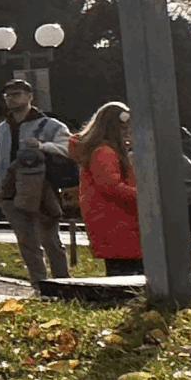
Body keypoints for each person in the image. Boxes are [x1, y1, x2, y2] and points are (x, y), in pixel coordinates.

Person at [0, 79, 71, 285]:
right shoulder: (0, 131)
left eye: (16, 94)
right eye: (7, 95)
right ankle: (40, 287)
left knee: (51, 241)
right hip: (10, 194)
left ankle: (64, 285)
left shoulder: (51, 126)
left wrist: (43, 146)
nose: (11, 99)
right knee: (27, 243)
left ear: (30, 96)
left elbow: (70, 150)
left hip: (44, 191)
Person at [70, 101, 140, 276]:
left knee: (123, 271)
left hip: (114, 220)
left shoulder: (104, 150)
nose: (129, 134)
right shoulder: (105, 152)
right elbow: (111, 187)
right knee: (127, 274)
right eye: (125, 129)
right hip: (118, 221)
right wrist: (146, 196)